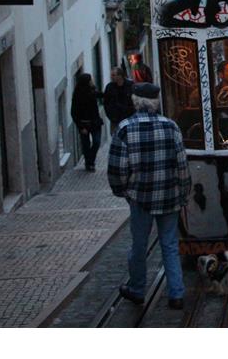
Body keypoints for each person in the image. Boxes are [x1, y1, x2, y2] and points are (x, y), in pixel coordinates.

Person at [108, 82, 191, 309]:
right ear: (156, 102)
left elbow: (117, 168)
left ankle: (137, 289)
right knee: (170, 245)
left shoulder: (125, 129)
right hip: (169, 196)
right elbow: (182, 165)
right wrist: (184, 192)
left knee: (139, 245)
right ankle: (176, 294)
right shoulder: (171, 127)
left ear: (135, 102)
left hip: (140, 198)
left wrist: (123, 191)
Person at [71, 73, 104, 171]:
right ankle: (89, 164)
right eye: (90, 80)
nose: (92, 81)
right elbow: (74, 113)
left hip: (95, 123)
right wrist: (81, 127)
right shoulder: (77, 96)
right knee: (86, 145)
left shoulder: (92, 91)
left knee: (96, 142)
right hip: (84, 124)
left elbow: (101, 95)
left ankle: (90, 160)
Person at [103, 66, 135, 135]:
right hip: (115, 120)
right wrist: (111, 116)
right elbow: (106, 103)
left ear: (120, 76)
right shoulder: (109, 87)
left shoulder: (130, 85)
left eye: (113, 75)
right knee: (115, 137)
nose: (111, 77)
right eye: (111, 75)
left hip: (129, 118)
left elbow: (135, 100)